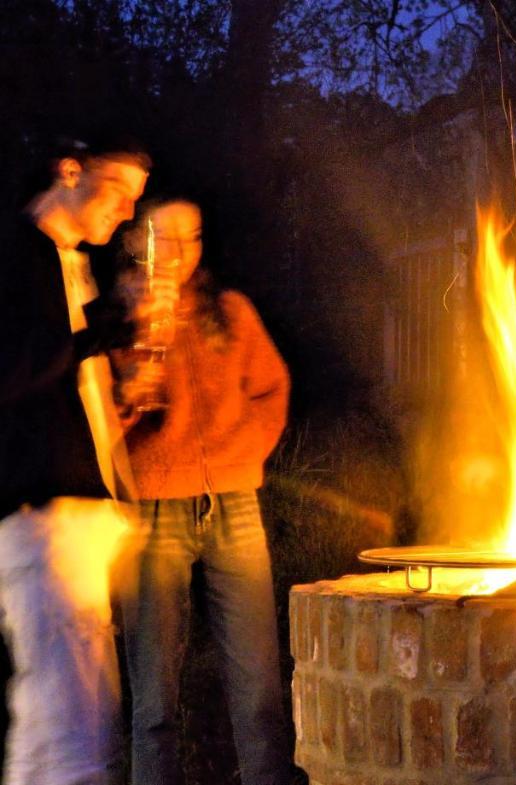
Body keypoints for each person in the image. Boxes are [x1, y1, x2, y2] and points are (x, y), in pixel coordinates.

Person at [112, 196, 293, 785]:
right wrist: (137, 367)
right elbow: (102, 420)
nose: (180, 252)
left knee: (260, 686)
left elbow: (271, 389)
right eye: (165, 238)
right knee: (156, 696)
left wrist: (246, 455)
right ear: (136, 241)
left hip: (234, 505)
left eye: (192, 237)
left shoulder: (231, 312)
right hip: (154, 512)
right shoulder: (111, 318)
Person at [0, 134, 162, 785]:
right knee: (77, 732)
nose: (126, 213)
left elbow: (70, 383)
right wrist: (95, 331)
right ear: (70, 171)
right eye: (119, 191)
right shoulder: (15, 255)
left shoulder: (72, 266)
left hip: (80, 518)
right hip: (44, 516)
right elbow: (12, 371)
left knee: (46, 731)